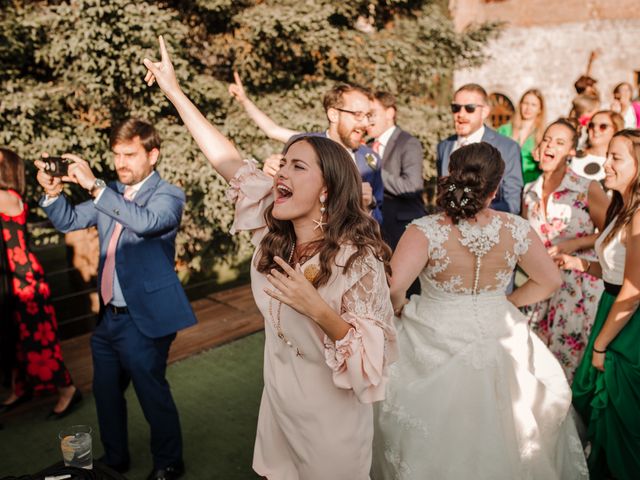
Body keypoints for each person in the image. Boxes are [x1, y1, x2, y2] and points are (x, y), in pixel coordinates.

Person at [143, 36, 397, 479]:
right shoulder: (271, 227)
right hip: (278, 406)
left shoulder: (358, 261)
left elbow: (369, 365)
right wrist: (175, 93)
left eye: (299, 167)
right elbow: (225, 157)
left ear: (327, 190)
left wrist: (316, 307)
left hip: (331, 425)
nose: (281, 171)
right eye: (285, 163)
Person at [372, 142, 588, 479]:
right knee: (513, 427)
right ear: (497, 185)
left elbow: (395, 287)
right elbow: (550, 281)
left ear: (451, 177)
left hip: (432, 328)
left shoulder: (425, 230)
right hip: (498, 325)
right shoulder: (516, 228)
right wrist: (507, 303)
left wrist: (400, 310)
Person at [35, 119, 196, 480]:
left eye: (129, 154)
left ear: (152, 155)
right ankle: (116, 458)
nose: (120, 163)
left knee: (152, 395)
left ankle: (169, 462)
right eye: (116, 155)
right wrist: (53, 193)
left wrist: (94, 186)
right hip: (109, 319)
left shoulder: (168, 195)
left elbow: (146, 223)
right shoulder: (109, 193)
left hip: (145, 319)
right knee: (106, 395)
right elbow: (69, 220)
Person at [556, 129, 640, 480]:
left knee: (619, 415)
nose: (605, 164)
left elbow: (633, 288)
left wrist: (601, 346)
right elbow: (615, 270)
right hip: (609, 309)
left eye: (616, 157)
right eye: (607, 155)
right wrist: (581, 264)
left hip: (627, 326)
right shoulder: (623, 207)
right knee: (596, 408)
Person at [228, 72, 384, 223]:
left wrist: (368, 207)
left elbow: (380, 219)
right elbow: (272, 130)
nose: (365, 124)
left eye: (368, 116)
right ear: (334, 115)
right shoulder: (304, 145)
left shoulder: (371, 160)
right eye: (358, 115)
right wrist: (274, 173)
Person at [522, 119, 609, 381]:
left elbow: (612, 235)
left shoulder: (587, 188)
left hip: (578, 292)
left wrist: (574, 244)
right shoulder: (529, 192)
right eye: (547, 139)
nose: (550, 145)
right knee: (536, 366)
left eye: (559, 142)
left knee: (570, 370)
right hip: (540, 291)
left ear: (572, 151)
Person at [0, 148, 81, 419]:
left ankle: (67, 389)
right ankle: (19, 387)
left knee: (37, 339)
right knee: (15, 338)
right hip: (8, 281)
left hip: (25, 281)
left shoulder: (10, 198)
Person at [436, 83, 523, 214]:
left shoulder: (508, 148)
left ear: (485, 112)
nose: (461, 114)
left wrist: (469, 214)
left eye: (470, 108)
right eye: (456, 108)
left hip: (488, 228)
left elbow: (512, 203)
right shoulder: (444, 146)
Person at [366, 91, 425, 250]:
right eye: (365, 115)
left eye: (372, 114)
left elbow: (412, 186)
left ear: (390, 113)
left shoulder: (408, 143)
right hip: (372, 231)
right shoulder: (367, 146)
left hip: (402, 230)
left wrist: (374, 171)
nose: (367, 120)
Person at [497, 88, 545, 184]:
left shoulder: (543, 134)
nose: (528, 108)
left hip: (529, 184)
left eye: (533, 105)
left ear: (540, 109)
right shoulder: (504, 130)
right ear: (520, 105)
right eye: (525, 103)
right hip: (505, 183)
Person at [570, 110, 624, 181]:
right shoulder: (571, 156)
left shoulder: (620, 164)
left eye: (603, 126)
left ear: (616, 130)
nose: (595, 129)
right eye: (591, 125)